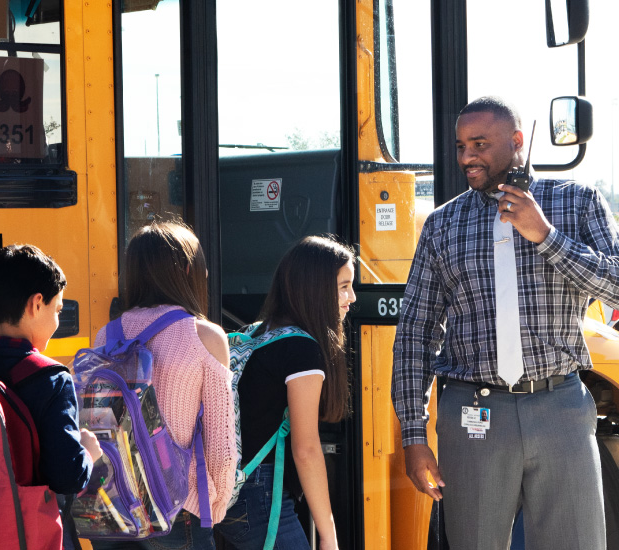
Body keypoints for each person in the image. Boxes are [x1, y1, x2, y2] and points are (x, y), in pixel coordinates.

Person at [392, 96, 615, 549]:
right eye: (460, 147)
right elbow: (415, 334)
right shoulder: (441, 225)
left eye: (479, 144)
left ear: (517, 141)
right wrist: (413, 438)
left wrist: (546, 237)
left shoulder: (576, 202)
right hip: (473, 414)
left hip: (561, 409)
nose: (467, 157)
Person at [90, 220, 238, 550]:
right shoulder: (204, 336)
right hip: (177, 509)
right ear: (186, 269)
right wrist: (214, 507)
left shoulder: (107, 334)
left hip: (113, 506)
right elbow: (221, 448)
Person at [215, 236, 355, 550]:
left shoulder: (259, 333)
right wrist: (328, 533)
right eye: (344, 286)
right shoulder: (302, 349)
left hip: (226, 486)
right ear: (316, 289)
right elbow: (305, 449)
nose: (353, 297)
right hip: (259, 493)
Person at [0, 244, 102, 549]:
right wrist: (88, 454)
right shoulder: (52, 380)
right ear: (35, 304)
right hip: (34, 535)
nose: (57, 322)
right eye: (57, 310)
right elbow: (67, 477)